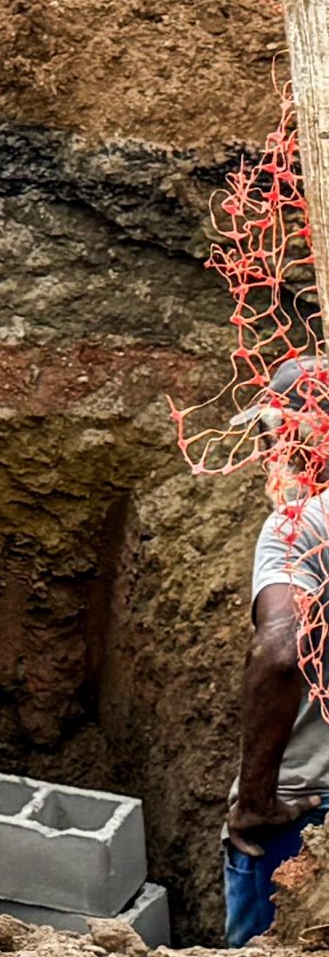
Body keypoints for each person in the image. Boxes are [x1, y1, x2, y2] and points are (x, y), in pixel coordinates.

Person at [223, 359, 329, 944]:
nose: (267, 448)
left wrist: (257, 799)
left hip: (308, 798)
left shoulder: (299, 527)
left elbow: (283, 652)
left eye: (272, 431)